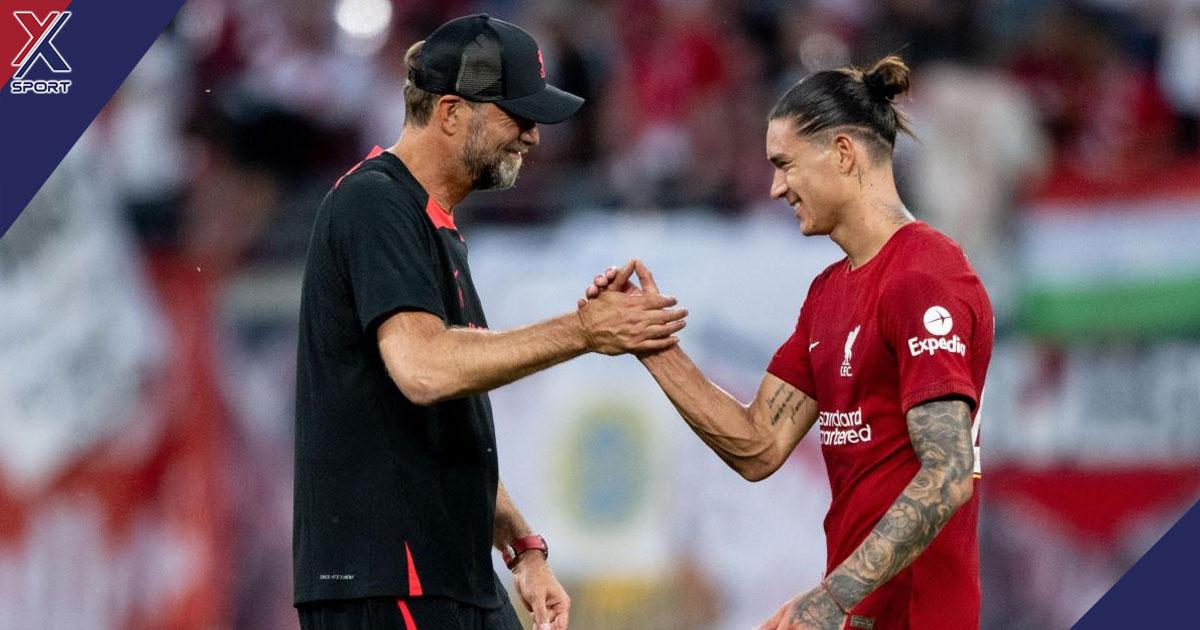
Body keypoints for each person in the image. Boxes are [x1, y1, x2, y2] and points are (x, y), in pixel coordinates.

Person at [293, 15, 686, 630]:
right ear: (451, 112)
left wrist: (522, 545)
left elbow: (447, 422)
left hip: (446, 575)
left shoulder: (429, 222)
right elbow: (423, 370)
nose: (533, 135)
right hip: (390, 578)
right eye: (517, 115)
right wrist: (584, 331)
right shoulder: (374, 203)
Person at [585, 56, 994, 630]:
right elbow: (759, 444)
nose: (776, 187)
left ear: (844, 153)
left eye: (785, 164)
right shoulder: (828, 292)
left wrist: (833, 597)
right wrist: (648, 340)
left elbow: (949, 471)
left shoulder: (926, 274)